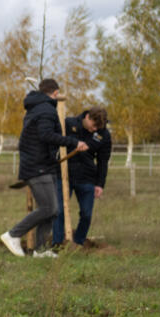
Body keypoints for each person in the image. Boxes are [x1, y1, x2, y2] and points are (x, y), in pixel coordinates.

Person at [0, 79, 88, 258]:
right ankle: (13, 234)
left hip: (42, 164)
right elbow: (46, 135)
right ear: (55, 93)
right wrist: (74, 142)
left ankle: (40, 250)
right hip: (36, 166)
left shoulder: (37, 107)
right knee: (48, 208)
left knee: (52, 209)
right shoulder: (46, 109)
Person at [59, 105, 111, 247]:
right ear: (87, 117)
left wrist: (100, 184)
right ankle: (57, 243)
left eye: (98, 128)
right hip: (65, 176)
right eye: (93, 126)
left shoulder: (104, 134)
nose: (94, 129)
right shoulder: (68, 124)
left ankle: (79, 243)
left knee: (86, 214)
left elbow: (103, 161)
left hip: (87, 178)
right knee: (59, 211)